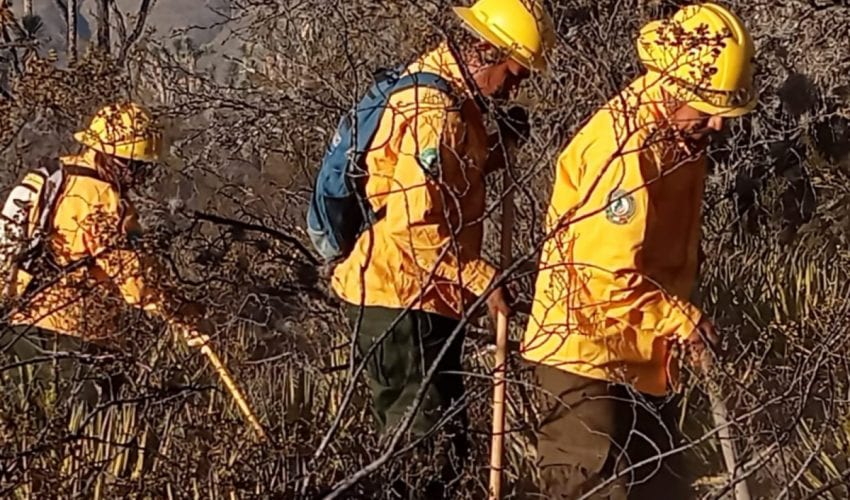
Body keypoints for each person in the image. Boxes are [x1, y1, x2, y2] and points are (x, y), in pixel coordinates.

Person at [521, 3, 756, 498]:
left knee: (663, 487)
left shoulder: (681, 137)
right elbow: (605, 277)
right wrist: (679, 318)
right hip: (585, 350)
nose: (717, 124)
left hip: (638, 348)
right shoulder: (624, 147)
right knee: (597, 487)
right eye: (708, 107)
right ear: (672, 87)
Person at [329, 0, 554, 489]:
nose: (513, 88)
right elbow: (414, 226)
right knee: (425, 453)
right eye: (512, 74)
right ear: (485, 50)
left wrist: (498, 147)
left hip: (417, 295)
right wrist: (483, 278)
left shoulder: (452, 97)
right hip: (401, 297)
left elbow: (450, 179)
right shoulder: (436, 112)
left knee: (437, 443)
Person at [0, 102, 202, 412]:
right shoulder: (102, 199)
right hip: (75, 339)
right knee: (91, 425)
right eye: (135, 165)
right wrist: (184, 313)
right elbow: (135, 282)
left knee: (29, 423)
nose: (139, 177)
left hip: (19, 329)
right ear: (113, 158)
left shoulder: (45, 178)